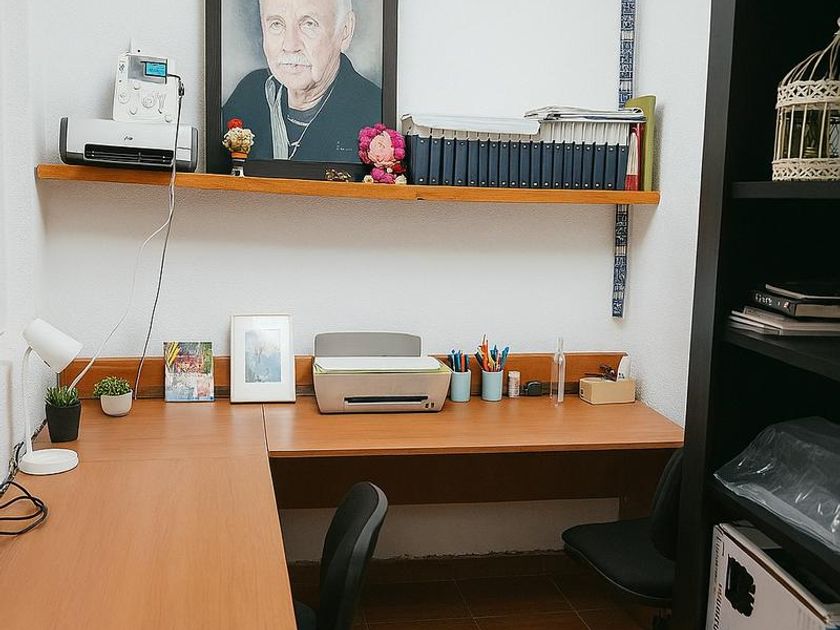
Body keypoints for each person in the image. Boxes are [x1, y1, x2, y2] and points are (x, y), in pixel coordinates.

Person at [223, 0, 382, 163]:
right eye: (277, 24)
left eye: (309, 24)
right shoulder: (248, 94)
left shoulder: (374, 111)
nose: (290, 46)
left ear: (345, 31)